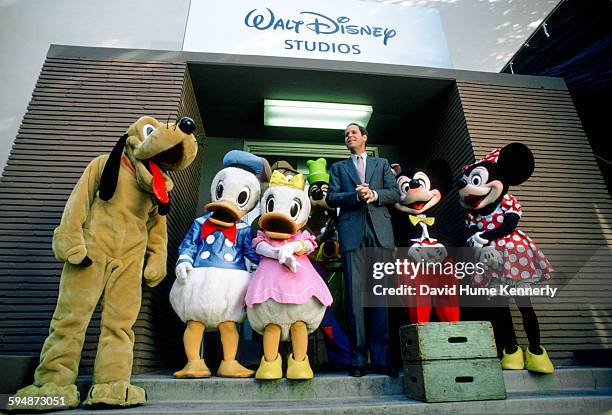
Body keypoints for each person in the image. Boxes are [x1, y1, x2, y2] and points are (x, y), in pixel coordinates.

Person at [326, 123, 400, 377]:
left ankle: (381, 358)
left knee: (380, 296)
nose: (349, 136)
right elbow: (331, 198)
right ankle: (357, 359)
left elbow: (395, 193)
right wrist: (355, 196)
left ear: (365, 137)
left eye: (353, 133)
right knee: (355, 299)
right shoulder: (338, 168)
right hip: (352, 233)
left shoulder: (382, 164)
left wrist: (374, 194)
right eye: (346, 134)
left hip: (380, 233)